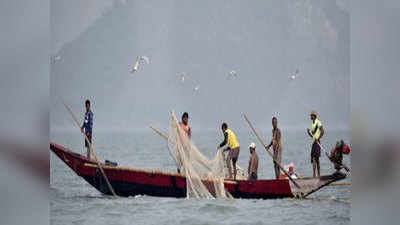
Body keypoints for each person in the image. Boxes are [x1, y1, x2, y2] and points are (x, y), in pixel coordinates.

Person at [307, 110, 324, 178]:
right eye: (310, 115)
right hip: (314, 142)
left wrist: (318, 138)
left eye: (311, 115)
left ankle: (317, 174)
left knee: (316, 158)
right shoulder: (312, 124)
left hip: (317, 142)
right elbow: (313, 136)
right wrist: (309, 133)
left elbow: (322, 131)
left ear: (314, 116)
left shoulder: (318, 122)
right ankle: (315, 174)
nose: (310, 116)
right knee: (314, 158)